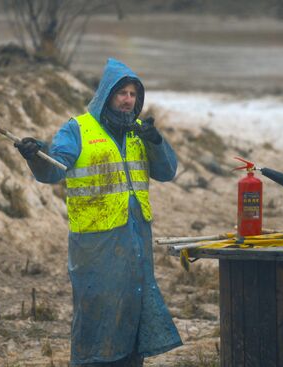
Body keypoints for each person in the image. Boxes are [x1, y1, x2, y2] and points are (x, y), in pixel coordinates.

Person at [15, 58, 182, 366]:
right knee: (95, 319)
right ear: (106, 94)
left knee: (133, 314)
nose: (128, 100)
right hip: (95, 247)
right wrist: (36, 155)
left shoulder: (138, 132)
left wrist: (155, 140)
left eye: (133, 94)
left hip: (135, 244)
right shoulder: (77, 129)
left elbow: (168, 170)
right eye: (122, 93)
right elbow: (53, 170)